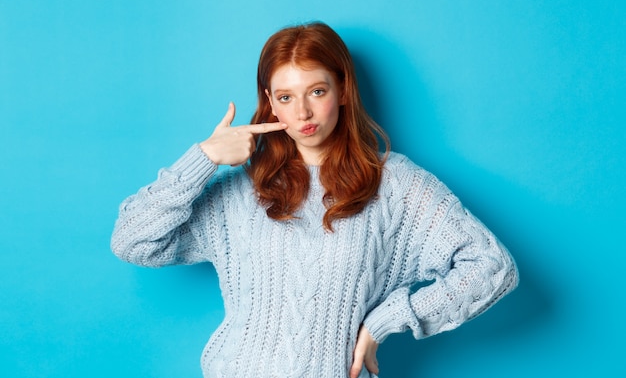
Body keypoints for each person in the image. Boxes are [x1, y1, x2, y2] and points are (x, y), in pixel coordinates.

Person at [111, 22, 518, 378]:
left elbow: (492, 267)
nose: (303, 111)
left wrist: (385, 321)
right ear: (269, 102)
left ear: (342, 90)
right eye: (285, 97)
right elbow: (132, 241)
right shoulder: (240, 191)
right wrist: (204, 158)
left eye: (317, 91)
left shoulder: (395, 184)